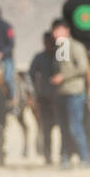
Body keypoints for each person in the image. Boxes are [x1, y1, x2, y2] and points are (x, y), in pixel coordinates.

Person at [50, 19, 90, 168]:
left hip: (75, 93)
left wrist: (63, 77)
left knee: (75, 127)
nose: (55, 34)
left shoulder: (76, 46)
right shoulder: (60, 48)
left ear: (66, 31)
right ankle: (66, 159)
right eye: (54, 31)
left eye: (58, 30)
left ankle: (85, 158)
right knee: (64, 128)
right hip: (61, 93)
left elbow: (83, 67)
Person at [28, 31, 59, 165]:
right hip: (45, 99)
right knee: (46, 130)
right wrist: (34, 92)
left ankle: (66, 154)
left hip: (59, 99)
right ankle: (47, 156)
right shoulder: (39, 57)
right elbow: (30, 75)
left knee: (64, 128)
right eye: (46, 42)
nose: (48, 45)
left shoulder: (60, 56)